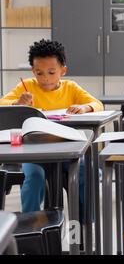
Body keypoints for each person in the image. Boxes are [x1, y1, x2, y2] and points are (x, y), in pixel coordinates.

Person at [0, 39, 103, 213]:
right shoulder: (26, 87)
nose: (45, 78)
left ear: (63, 70)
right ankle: (31, 227)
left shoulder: (71, 88)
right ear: (33, 71)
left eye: (51, 72)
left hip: (66, 149)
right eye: (39, 73)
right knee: (34, 178)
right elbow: (2, 104)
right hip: (33, 152)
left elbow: (97, 104)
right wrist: (17, 103)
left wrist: (85, 107)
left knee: (87, 171)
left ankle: (84, 224)